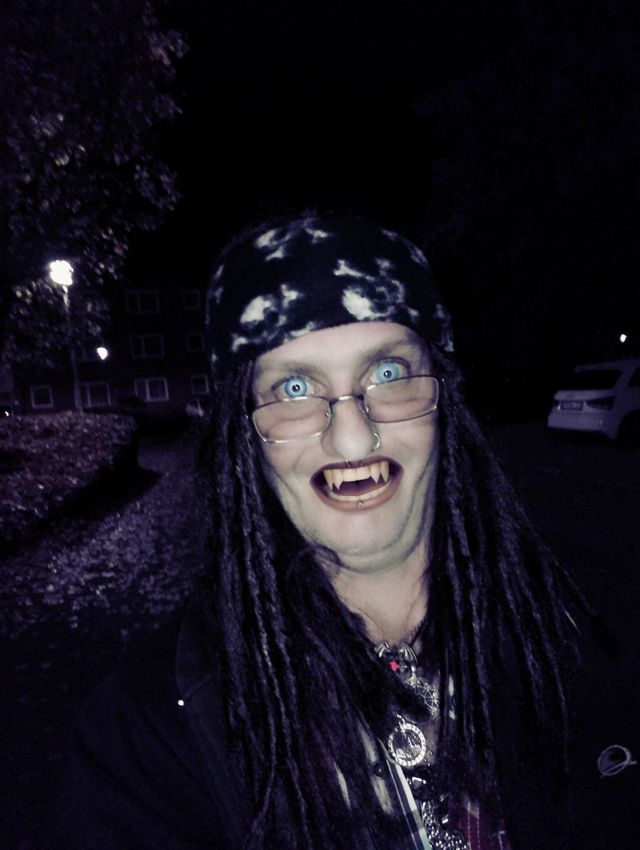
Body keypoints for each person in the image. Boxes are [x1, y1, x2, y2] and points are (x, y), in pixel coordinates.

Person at [48, 214, 588, 850]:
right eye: (295, 388)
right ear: (243, 433)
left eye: (389, 373)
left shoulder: (574, 642)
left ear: (444, 399)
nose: (353, 438)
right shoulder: (145, 741)